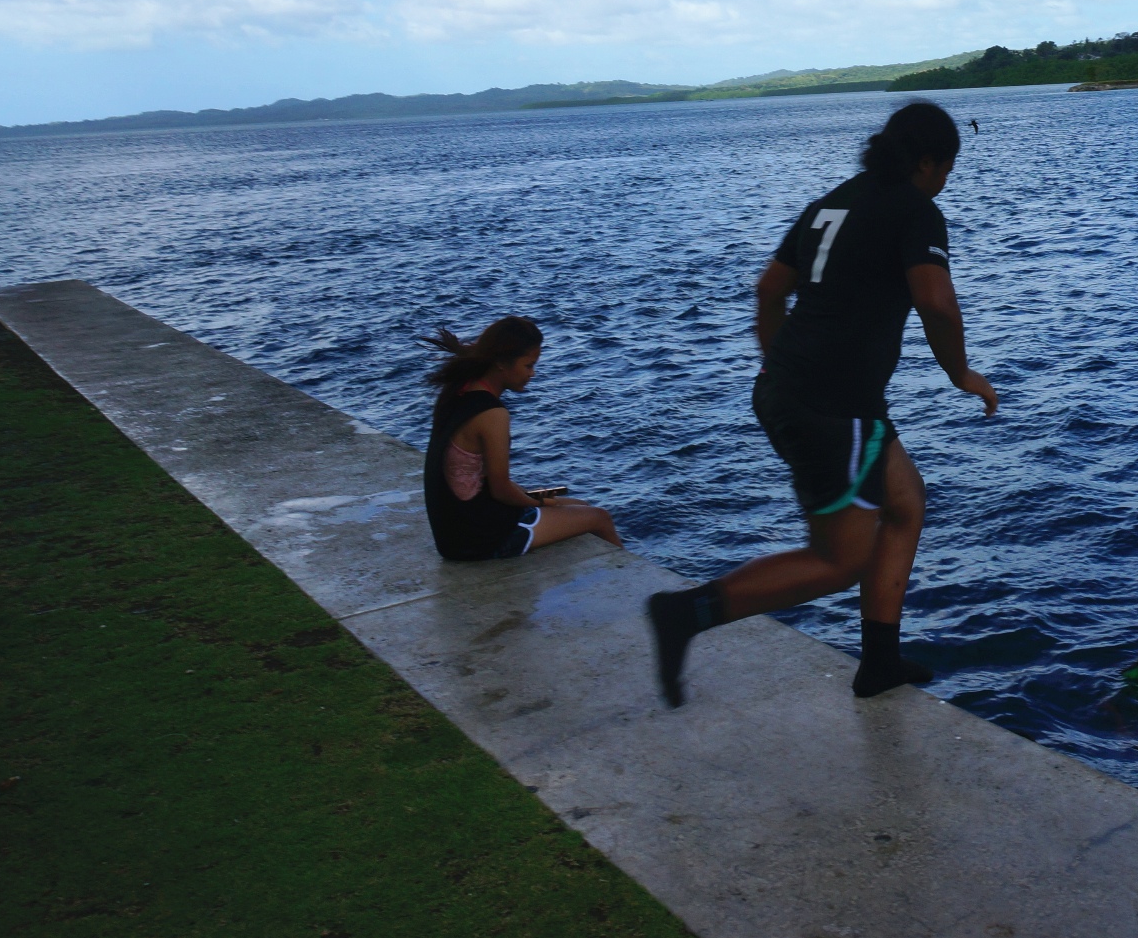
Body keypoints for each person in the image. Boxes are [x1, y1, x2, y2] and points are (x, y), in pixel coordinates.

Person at [647, 101, 998, 705]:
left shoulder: (832, 203)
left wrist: (781, 368)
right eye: (946, 168)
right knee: (839, 560)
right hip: (835, 405)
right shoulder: (916, 210)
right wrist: (961, 372)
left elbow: (769, 290)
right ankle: (689, 612)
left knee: (905, 502)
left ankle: (880, 662)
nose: (946, 181)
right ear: (926, 162)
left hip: (795, 391)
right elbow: (936, 302)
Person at [420, 315, 621, 561]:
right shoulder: (492, 414)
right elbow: (501, 489)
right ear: (502, 363)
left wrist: (538, 500)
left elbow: (480, 478)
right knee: (599, 518)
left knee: (579, 505)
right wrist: (541, 504)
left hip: (454, 534)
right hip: (479, 539)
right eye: (528, 365)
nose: (532, 374)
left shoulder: (460, 391)